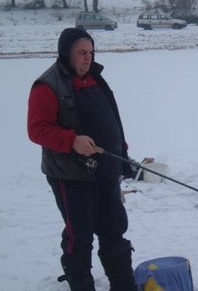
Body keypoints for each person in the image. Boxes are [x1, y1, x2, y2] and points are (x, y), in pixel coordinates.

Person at [27, 28, 137, 291]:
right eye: (81, 53)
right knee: (81, 235)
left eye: (90, 52)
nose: (87, 58)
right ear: (67, 53)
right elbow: (37, 129)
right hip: (72, 175)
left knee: (114, 230)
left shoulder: (95, 78)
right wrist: (72, 141)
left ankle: (124, 286)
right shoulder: (47, 85)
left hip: (106, 170)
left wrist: (119, 148)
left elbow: (109, 116)